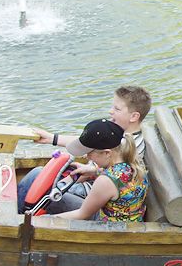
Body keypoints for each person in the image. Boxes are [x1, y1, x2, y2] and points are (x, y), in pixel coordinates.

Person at [17, 86, 151, 213]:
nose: (111, 111)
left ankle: (18, 219)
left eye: (117, 109)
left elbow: (118, 179)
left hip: (94, 199)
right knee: (38, 175)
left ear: (134, 116)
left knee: (40, 187)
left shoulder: (130, 145)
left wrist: (91, 172)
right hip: (91, 185)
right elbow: (89, 141)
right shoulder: (121, 136)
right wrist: (53, 139)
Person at [56, 119, 149, 222]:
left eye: (89, 153)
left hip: (108, 229)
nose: (86, 157)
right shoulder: (134, 164)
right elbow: (119, 181)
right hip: (130, 222)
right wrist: (94, 172)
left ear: (107, 153)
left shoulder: (105, 181)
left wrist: (46, 219)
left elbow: (81, 214)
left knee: (53, 201)